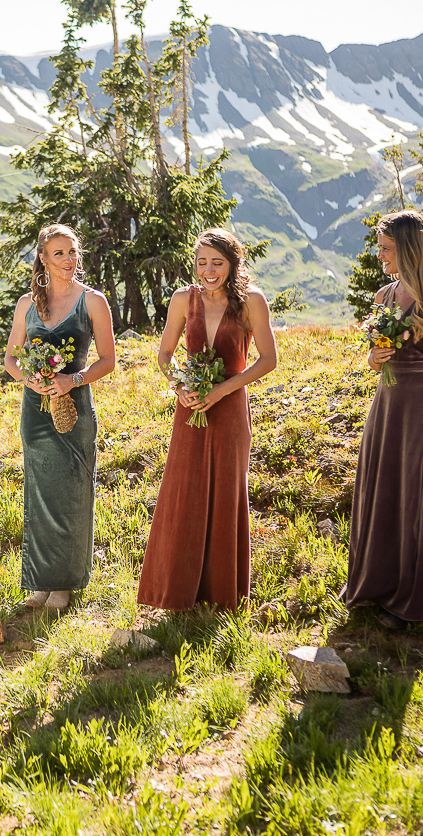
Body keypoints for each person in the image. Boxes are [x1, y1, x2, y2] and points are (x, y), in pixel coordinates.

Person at [137, 229, 277, 611]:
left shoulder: (252, 301)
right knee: (185, 494)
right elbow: (165, 353)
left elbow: (268, 359)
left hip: (230, 409)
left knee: (225, 495)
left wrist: (224, 389)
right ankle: (176, 593)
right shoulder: (184, 299)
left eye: (217, 262)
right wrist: (178, 386)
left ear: (233, 263)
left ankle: (221, 596)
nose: (209, 270)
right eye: (202, 263)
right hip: (191, 407)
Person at [341, 210, 423, 628]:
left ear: (410, 249)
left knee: (416, 496)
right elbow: (375, 359)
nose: (380, 255)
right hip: (388, 405)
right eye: (379, 247)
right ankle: (376, 586)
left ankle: (412, 600)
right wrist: (374, 357)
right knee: (383, 490)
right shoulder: (384, 297)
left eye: (387, 248)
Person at [3, 224, 116, 612]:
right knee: (39, 492)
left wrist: (73, 379)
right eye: (59, 254)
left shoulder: (93, 301)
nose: (68, 260)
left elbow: (108, 360)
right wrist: (29, 380)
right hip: (34, 412)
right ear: (43, 259)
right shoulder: (26, 304)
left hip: (75, 409)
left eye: (72, 252)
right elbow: (10, 359)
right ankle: (40, 582)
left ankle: (65, 584)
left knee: (70, 493)